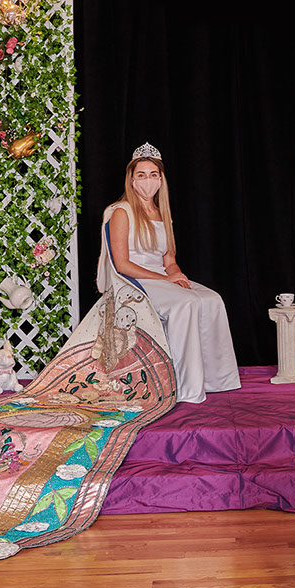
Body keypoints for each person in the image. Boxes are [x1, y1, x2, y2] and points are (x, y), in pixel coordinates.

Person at [100, 142, 240, 403]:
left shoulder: (161, 213)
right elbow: (122, 264)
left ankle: (214, 380)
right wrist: (166, 279)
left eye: (153, 174)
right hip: (134, 280)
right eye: (141, 175)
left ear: (161, 179)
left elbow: (169, 260)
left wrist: (178, 276)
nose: (148, 180)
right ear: (131, 180)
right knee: (186, 304)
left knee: (212, 300)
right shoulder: (122, 211)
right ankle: (184, 386)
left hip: (160, 278)